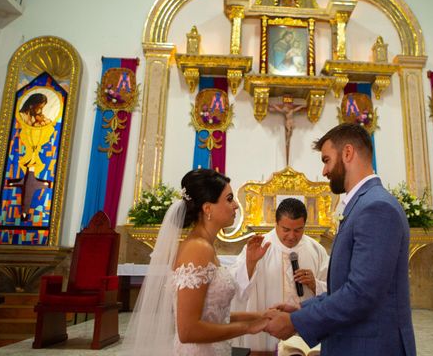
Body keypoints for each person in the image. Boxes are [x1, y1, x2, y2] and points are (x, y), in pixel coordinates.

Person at [265, 123, 417, 355]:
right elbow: (345, 287)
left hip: (370, 347)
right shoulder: (364, 204)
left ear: (347, 153)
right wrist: (299, 309)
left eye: (326, 160)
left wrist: (295, 322)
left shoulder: (376, 207)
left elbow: (361, 294)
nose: (324, 171)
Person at [121, 169, 267, 356]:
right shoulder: (198, 249)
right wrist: (247, 328)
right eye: (229, 199)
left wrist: (260, 315)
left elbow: (213, 315)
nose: (236, 206)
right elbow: (188, 330)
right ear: (208, 208)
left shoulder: (205, 245)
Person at [230, 198, 329, 351]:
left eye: (298, 230)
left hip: (305, 335)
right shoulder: (259, 246)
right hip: (266, 336)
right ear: (276, 223)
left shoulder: (316, 250)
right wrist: (250, 263)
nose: (292, 236)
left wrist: (316, 284)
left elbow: (335, 290)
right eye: (286, 229)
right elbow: (235, 287)